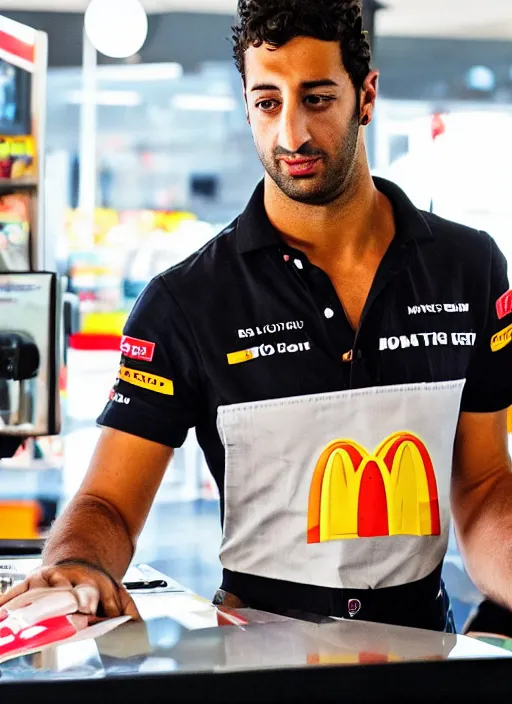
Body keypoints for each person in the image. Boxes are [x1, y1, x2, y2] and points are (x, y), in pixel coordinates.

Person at [2, 0, 512, 632]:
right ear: (246, 103)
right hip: (254, 666)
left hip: (427, 658)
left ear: (367, 96)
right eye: (268, 102)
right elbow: (108, 501)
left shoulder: (471, 268)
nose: (290, 135)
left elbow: (486, 485)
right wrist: (79, 564)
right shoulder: (185, 301)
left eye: (318, 99)